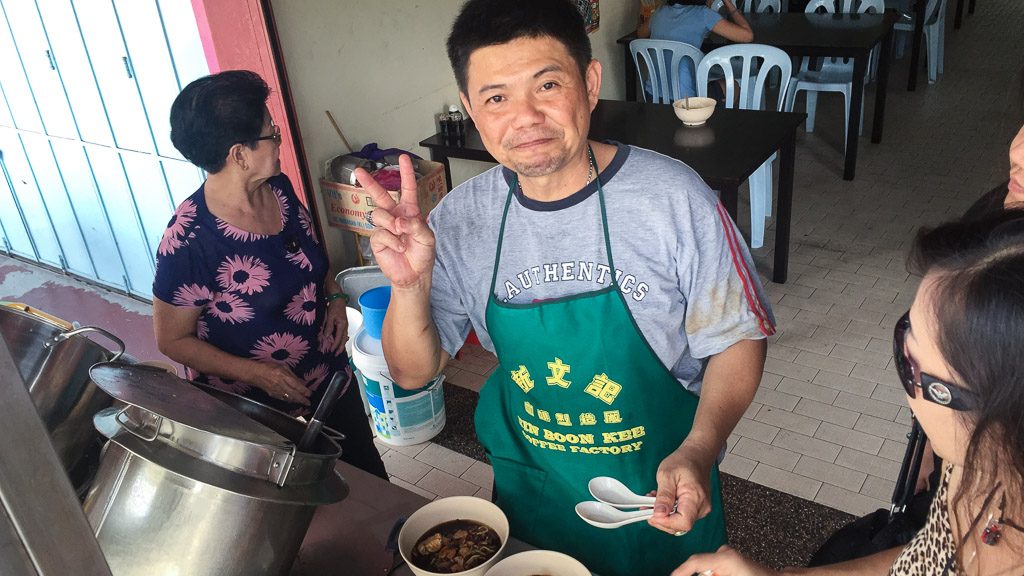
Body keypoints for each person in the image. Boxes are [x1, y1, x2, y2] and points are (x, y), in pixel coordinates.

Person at [358, 1, 774, 574]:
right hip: (534, 496)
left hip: (662, 488)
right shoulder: (458, 221)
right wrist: (407, 286)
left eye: (546, 84)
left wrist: (700, 448)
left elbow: (736, 339)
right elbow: (411, 373)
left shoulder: (673, 200)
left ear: (590, 82)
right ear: (473, 113)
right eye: (496, 98)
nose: (524, 117)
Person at [674, 210, 1024, 576]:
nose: (904, 390)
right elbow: (931, 557)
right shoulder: (973, 463)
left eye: (912, 366)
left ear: (999, 416)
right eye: (902, 333)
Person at [153, 70, 387, 479]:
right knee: (289, 503)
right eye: (271, 132)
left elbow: (313, 262)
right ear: (239, 154)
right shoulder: (189, 240)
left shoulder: (279, 188)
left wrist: (333, 298)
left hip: (325, 377)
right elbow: (171, 340)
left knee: (368, 478)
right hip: (252, 405)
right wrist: (257, 373)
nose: (278, 139)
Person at [638, 0, 754, 100]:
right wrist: (728, 3)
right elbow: (747, 36)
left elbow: (640, 34)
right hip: (689, 102)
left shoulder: (659, 13)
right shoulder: (704, 15)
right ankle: (708, 120)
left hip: (653, 96)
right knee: (733, 86)